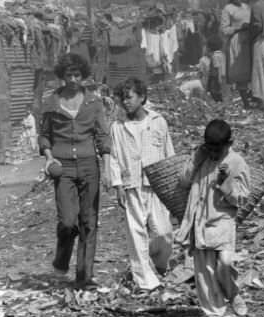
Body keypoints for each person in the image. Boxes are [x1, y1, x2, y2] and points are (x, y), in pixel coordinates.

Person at [39, 53, 112, 288]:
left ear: (83, 75)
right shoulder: (51, 103)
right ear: (62, 76)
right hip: (63, 168)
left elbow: (102, 136)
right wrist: (49, 158)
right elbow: (44, 135)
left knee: (88, 222)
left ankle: (84, 276)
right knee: (68, 222)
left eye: (77, 75)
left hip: (90, 166)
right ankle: (61, 261)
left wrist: (108, 168)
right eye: (68, 75)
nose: (72, 79)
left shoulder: (93, 103)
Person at [177, 119, 250, 317]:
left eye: (217, 149)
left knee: (224, 263)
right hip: (199, 221)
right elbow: (183, 181)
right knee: (205, 270)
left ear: (229, 143)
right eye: (209, 148)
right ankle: (213, 312)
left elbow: (242, 198)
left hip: (223, 221)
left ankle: (232, 292)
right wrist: (196, 158)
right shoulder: (202, 159)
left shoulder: (236, 162)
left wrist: (225, 185)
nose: (214, 153)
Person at [108, 78, 175, 292]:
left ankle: (159, 262)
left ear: (142, 98)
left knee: (163, 232)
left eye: (130, 97)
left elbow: (168, 152)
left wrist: (172, 181)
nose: (126, 103)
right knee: (136, 233)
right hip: (132, 184)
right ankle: (145, 280)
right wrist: (117, 185)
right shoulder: (118, 128)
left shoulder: (158, 121)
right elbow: (114, 158)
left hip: (156, 184)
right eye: (122, 99)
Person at [220, 0, 252, 107]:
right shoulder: (228, 9)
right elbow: (224, 29)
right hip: (237, 42)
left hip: (249, 40)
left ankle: (255, 98)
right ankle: (245, 102)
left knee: (252, 70)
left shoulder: (247, 7)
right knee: (240, 72)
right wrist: (238, 27)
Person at [198, 35, 226, 103]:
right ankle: (219, 101)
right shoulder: (221, 54)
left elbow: (218, 68)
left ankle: (219, 101)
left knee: (213, 90)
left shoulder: (215, 56)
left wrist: (219, 78)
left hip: (215, 76)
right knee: (216, 90)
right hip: (221, 75)